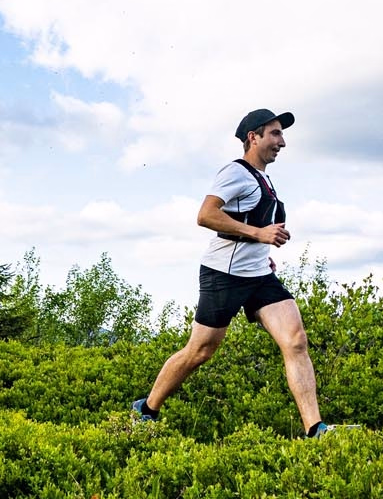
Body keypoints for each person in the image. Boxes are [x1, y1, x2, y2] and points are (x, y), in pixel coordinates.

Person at [134, 109, 341, 435]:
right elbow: (206, 215)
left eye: (282, 135)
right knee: (200, 351)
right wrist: (260, 235)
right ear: (252, 137)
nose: (282, 142)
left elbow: (249, 222)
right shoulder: (235, 173)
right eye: (274, 134)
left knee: (296, 341)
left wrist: (260, 250)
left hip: (259, 275)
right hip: (223, 275)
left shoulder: (263, 179)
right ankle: (146, 410)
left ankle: (315, 429)